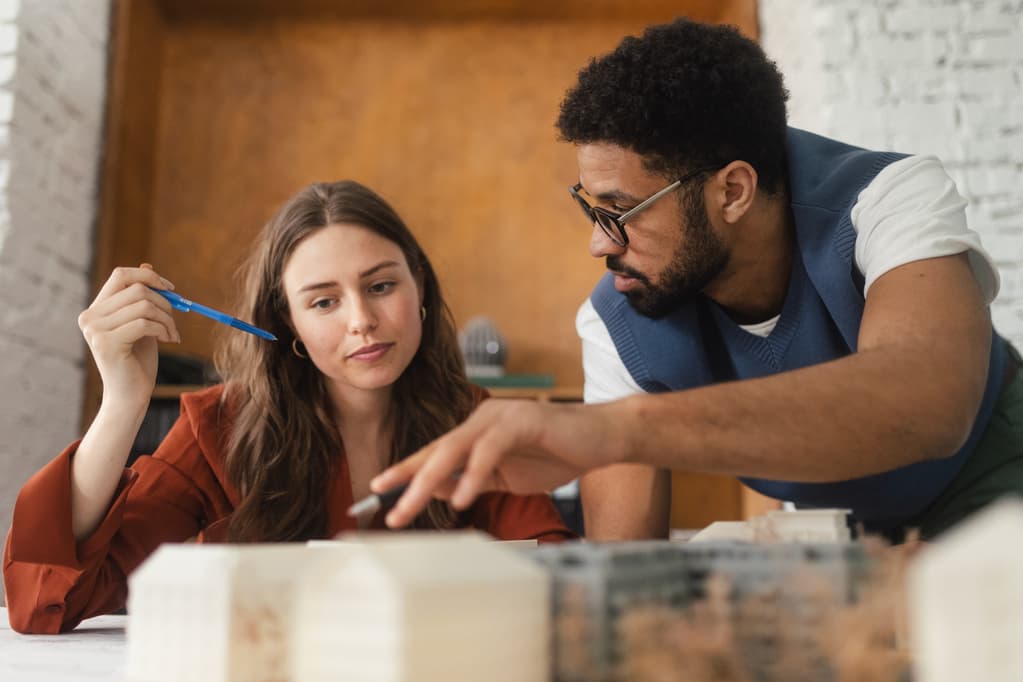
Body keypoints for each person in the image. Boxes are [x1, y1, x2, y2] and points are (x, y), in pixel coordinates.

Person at [374, 17, 1022, 544]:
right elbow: (621, 572)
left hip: (997, 485)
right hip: (844, 539)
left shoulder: (886, 199)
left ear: (732, 191)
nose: (598, 243)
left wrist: (613, 428)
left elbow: (924, 403)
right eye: (588, 207)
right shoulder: (616, 322)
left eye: (618, 211)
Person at [3, 180, 573, 634]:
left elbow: (555, 581)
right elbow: (48, 599)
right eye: (323, 301)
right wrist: (124, 402)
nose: (361, 320)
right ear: (287, 324)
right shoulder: (218, 431)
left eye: (380, 286)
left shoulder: (473, 421)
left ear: (419, 285)